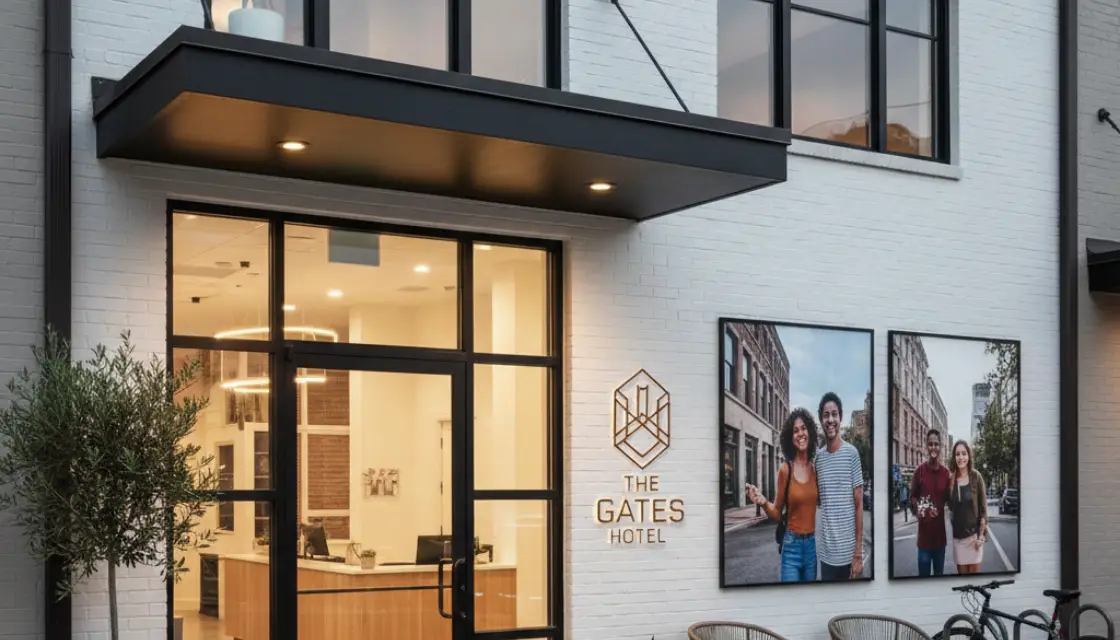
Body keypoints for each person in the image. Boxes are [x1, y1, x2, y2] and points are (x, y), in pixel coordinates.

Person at [747, 408, 820, 582]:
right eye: (795, 431)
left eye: (803, 428)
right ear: (790, 437)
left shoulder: (815, 469)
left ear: (809, 432)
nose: (800, 434)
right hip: (791, 547)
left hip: (811, 547)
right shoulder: (785, 470)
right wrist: (764, 502)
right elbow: (778, 513)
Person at [813, 392, 864, 581]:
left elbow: (859, 505)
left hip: (850, 556)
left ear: (840, 418)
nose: (830, 419)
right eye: (826, 415)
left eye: (834, 414)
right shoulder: (818, 458)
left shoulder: (852, 454)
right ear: (821, 419)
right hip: (826, 557)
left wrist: (858, 553)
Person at [909, 429, 951, 576]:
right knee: (923, 582)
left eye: (936, 444)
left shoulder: (946, 474)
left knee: (939, 581)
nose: (934, 447)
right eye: (931, 444)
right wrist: (921, 509)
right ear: (926, 446)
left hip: (940, 540)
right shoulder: (919, 472)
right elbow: (912, 497)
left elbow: (951, 501)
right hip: (924, 542)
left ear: (940, 447)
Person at [948, 440, 988, 574]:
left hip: (974, 538)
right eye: (957, 454)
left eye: (964, 454)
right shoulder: (951, 480)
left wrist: (981, 536)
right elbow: (949, 507)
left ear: (969, 456)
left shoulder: (976, 477)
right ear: (954, 457)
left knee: (975, 583)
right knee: (963, 583)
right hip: (958, 539)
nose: (961, 457)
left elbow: (983, 509)